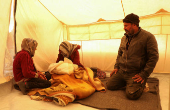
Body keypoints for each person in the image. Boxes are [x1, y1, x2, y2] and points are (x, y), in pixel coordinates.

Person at [106, 13, 159, 100]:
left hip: (135, 73)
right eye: (124, 25)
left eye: (126, 25)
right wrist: (116, 67)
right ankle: (129, 83)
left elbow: (153, 57)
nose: (124, 28)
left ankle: (141, 83)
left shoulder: (148, 37)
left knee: (132, 95)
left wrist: (144, 74)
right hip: (122, 71)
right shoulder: (124, 38)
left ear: (134, 25)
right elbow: (120, 53)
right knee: (109, 85)